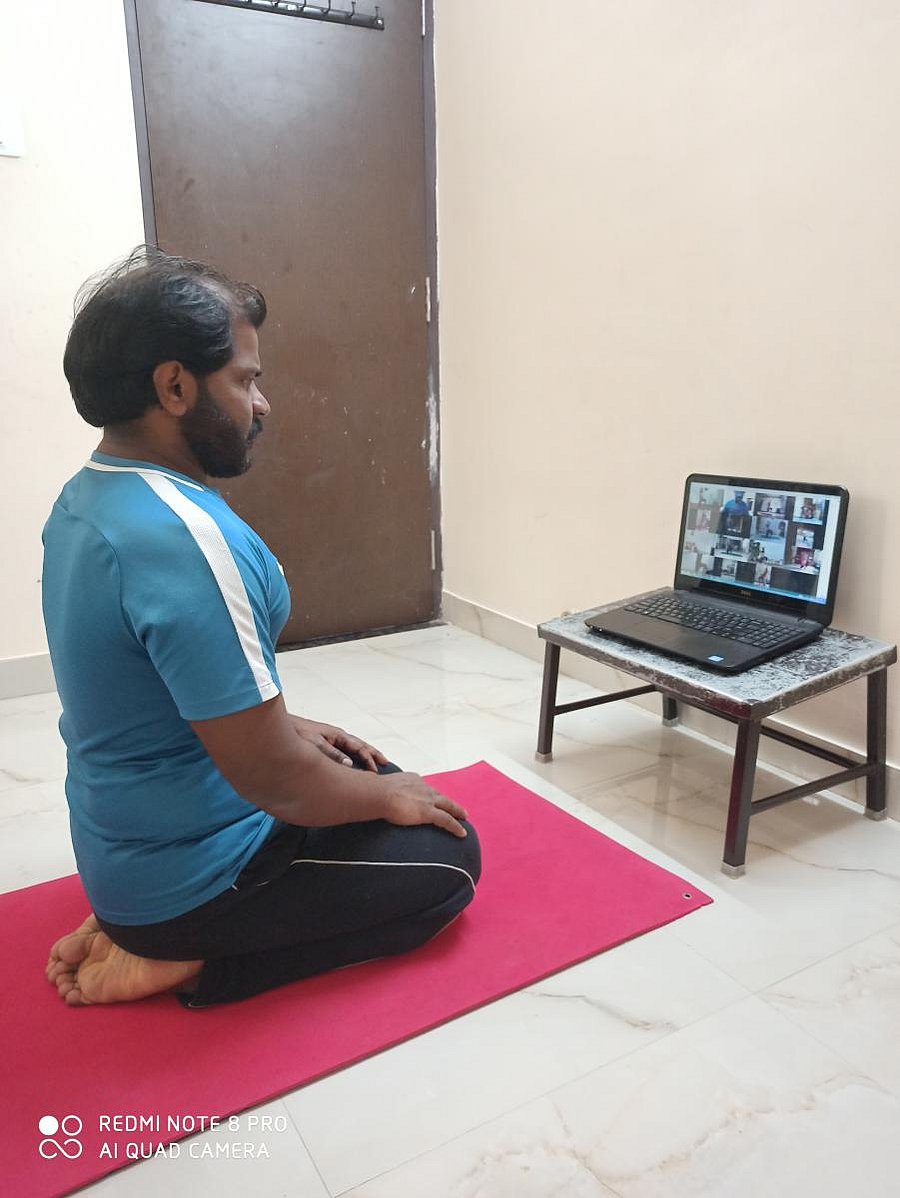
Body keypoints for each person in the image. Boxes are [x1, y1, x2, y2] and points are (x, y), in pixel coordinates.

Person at [43, 248, 481, 1008]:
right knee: (450, 862)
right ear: (174, 386)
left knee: (371, 771)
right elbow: (274, 779)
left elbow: (141, 685)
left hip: (130, 853)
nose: (263, 404)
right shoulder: (182, 538)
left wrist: (289, 727)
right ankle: (191, 961)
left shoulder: (87, 499)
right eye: (246, 380)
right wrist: (375, 799)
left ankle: (157, 929)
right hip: (189, 880)